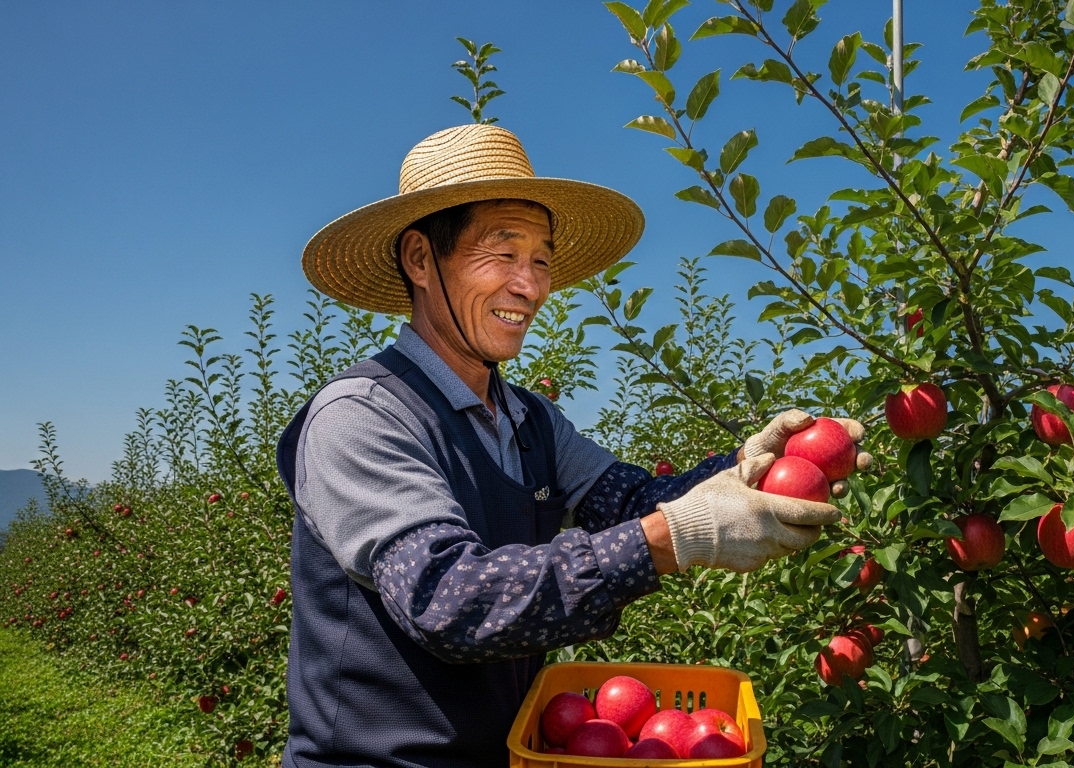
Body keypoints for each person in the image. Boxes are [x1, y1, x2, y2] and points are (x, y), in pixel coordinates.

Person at [275, 124, 867, 768]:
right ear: (420, 260)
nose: (530, 286)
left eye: (542, 259)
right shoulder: (362, 417)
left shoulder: (530, 421)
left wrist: (752, 469)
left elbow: (634, 500)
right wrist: (677, 536)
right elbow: (449, 598)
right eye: (502, 253)